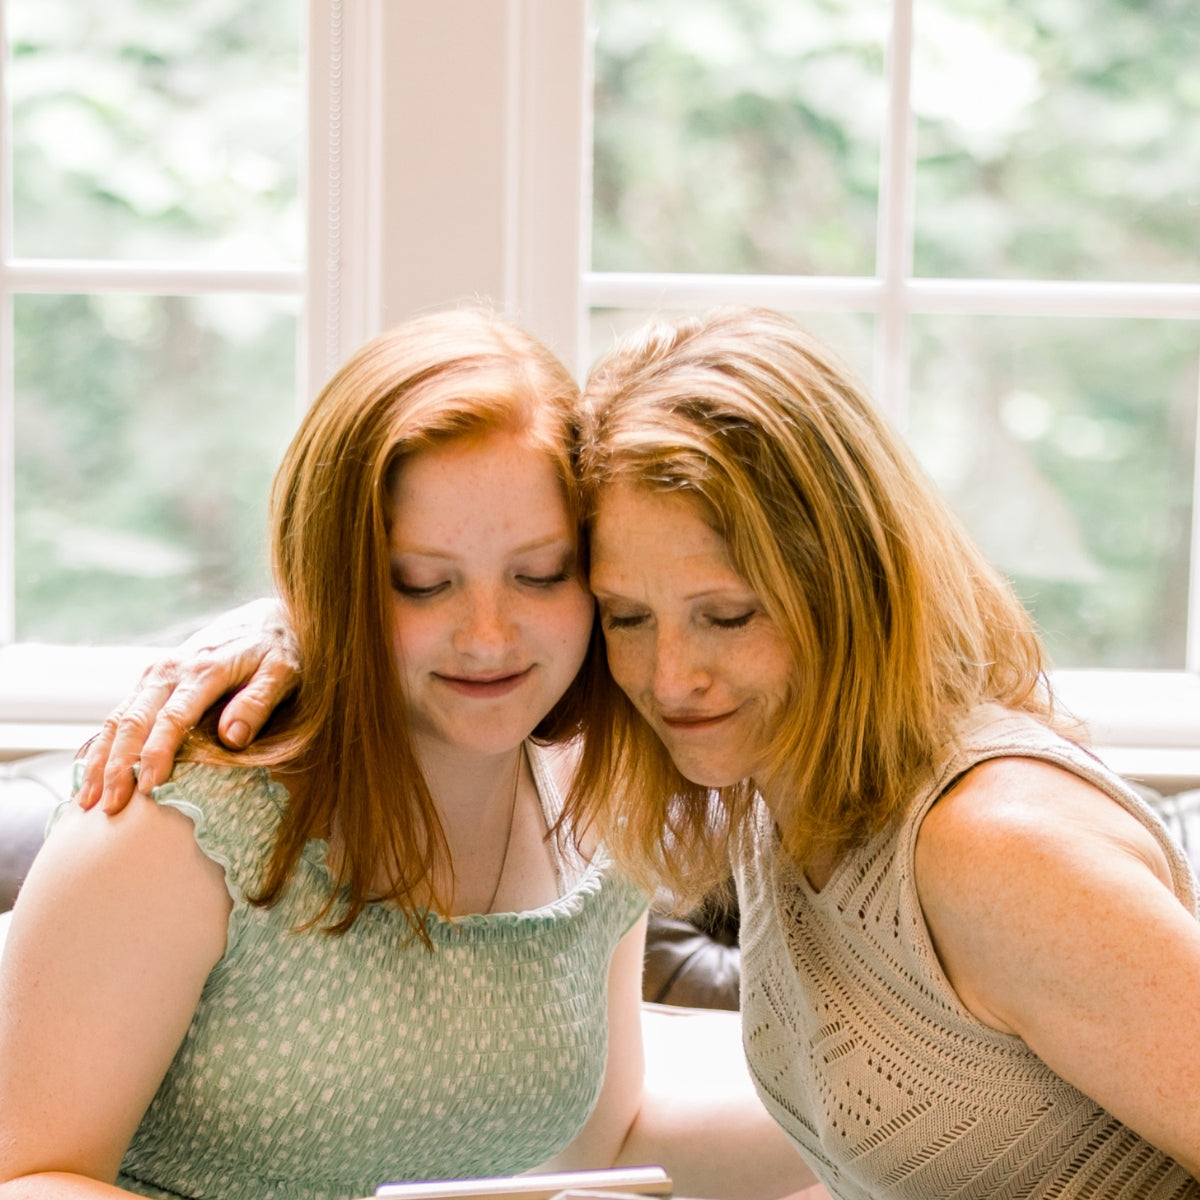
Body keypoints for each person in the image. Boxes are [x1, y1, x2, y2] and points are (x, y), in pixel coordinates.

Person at [76, 306, 1200, 1195]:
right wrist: (307, 626)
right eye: (626, 614)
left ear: (849, 587)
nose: (671, 680)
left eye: (730, 613)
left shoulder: (992, 845)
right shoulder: (770, 787)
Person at [0, 306, 816, 1200]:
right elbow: (27, 1176)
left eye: (540, 574)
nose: (488, 635)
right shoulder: (176, 827)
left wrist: (915, 1134)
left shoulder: (596, 803)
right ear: (337, 584)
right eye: (423, 584)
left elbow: (607, 1138)